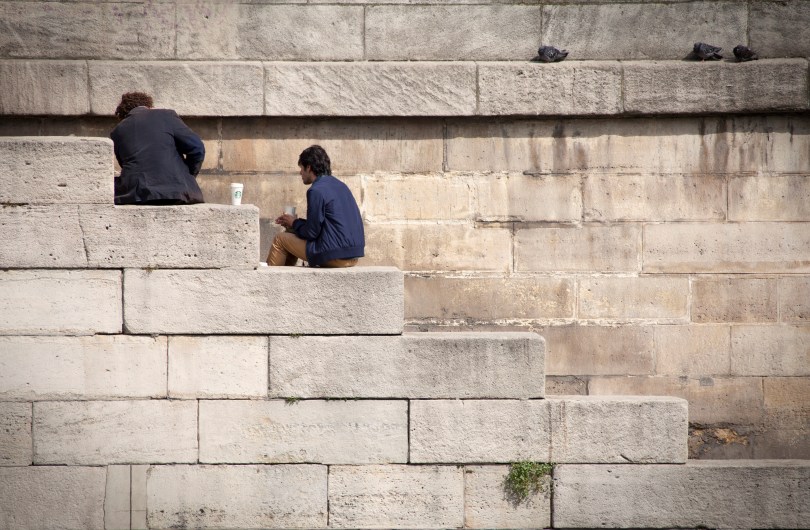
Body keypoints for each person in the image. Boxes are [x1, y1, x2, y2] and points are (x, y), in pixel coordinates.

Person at [267, 145, 364, 267]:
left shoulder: (316, 190)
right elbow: (322, 227)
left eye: (301, 168)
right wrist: (295, 223)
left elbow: (311, 232)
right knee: (291, 235)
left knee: (279, 240)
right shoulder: (341, 186)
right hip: (353, 256)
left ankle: (268, 283)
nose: (300, 172)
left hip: (334, 255)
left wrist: (294, 223)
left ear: (309, 167)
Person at [110, 92, 205, 205]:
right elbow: (197, 148)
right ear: (149, 106)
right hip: (175, 192)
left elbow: (124, 163)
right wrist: (188, 174)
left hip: (134, 195)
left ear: (123, 114)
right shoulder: (166, 115)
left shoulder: (117, 131)